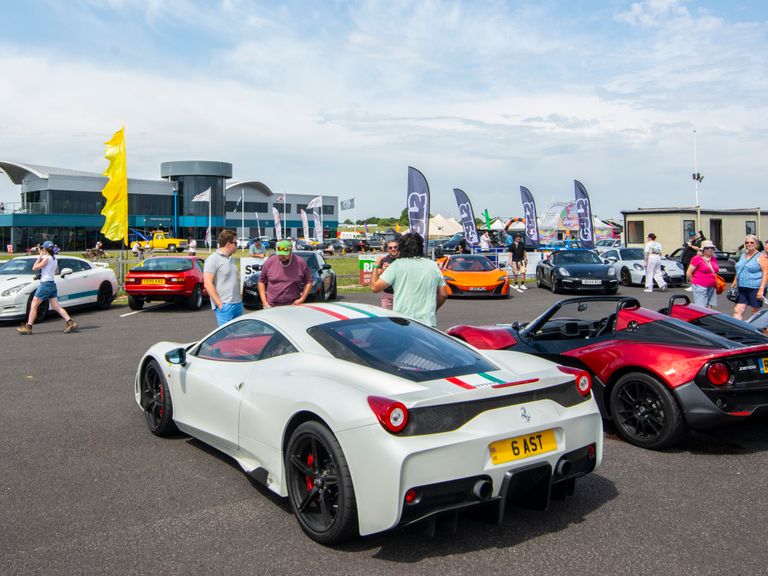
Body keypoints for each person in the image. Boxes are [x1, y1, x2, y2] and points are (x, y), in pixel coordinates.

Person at [370, 233, 447, 327]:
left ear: (401, 248)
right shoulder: (433, 265)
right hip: (427, 322)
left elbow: (375, 287)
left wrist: (375, 266)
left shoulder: (397, 265)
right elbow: (443, 294)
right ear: (420, 247)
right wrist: (433, 309)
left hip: (404, 321)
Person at [17, 241, 77, 335]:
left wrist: (40, 256)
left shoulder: (47, 258)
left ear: (44, 249)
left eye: (42, 248)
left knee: (34, 304)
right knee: (55, 306)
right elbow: (56, 271)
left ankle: (28, 327)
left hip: (45, 284)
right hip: (52, 283)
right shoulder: (54, 258)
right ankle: (70, 322)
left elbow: (34, 268)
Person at [203, 229, 243, 326]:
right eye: (235, 243)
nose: (237, 245)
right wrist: (220, 304)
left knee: (238, 336)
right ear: (228, 244)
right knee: (226, 338)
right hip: (225, 305)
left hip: (237, 303)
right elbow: (208, 283)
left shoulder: (231, 259)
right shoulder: (213, 259)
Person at [258, 240, 312, 308]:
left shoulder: (300, 263)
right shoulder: (270, 261)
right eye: (280, 254)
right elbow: (261, 281)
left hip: (293, 305)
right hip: (272, 305)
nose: (282, 256)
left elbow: (309, 281)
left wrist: (302, 299)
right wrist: (264, 302)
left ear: (291, 251)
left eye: (285, 254)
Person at [731, 234, 768, 321]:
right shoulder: (743, 256)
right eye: (747, 242)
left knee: (755, 312)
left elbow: (766, 273)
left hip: (755, 288)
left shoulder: (761, 256)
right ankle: (738, 330)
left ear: (756, 244)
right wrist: (734, 283)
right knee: (737, 310)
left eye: (752, 242)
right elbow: (739, 270)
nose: (749, 244)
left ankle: (759, 330)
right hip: (741, 288)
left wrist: (761, 290)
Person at [686, 240, 719, 308]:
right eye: (707, 248)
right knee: (702, 308)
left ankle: (707, 319)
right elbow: (689, 273)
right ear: (703, 249)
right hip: (700, 287)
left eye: (711, 248)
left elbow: (715, 271)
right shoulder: (697, 258)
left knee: (709, 307)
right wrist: (695, 283)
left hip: (712, 286)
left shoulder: (713, 259)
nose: (710, 249)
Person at [371, 239, 399, 309]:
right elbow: (375, 278)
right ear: (388, 249)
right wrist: (383, 270)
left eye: (395, 247)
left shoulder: (404, 259)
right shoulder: (384, 260)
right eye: (390, 247)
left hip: (400, 293)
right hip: (387, 293)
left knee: (401, 318)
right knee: (387, 316)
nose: (393, 249)